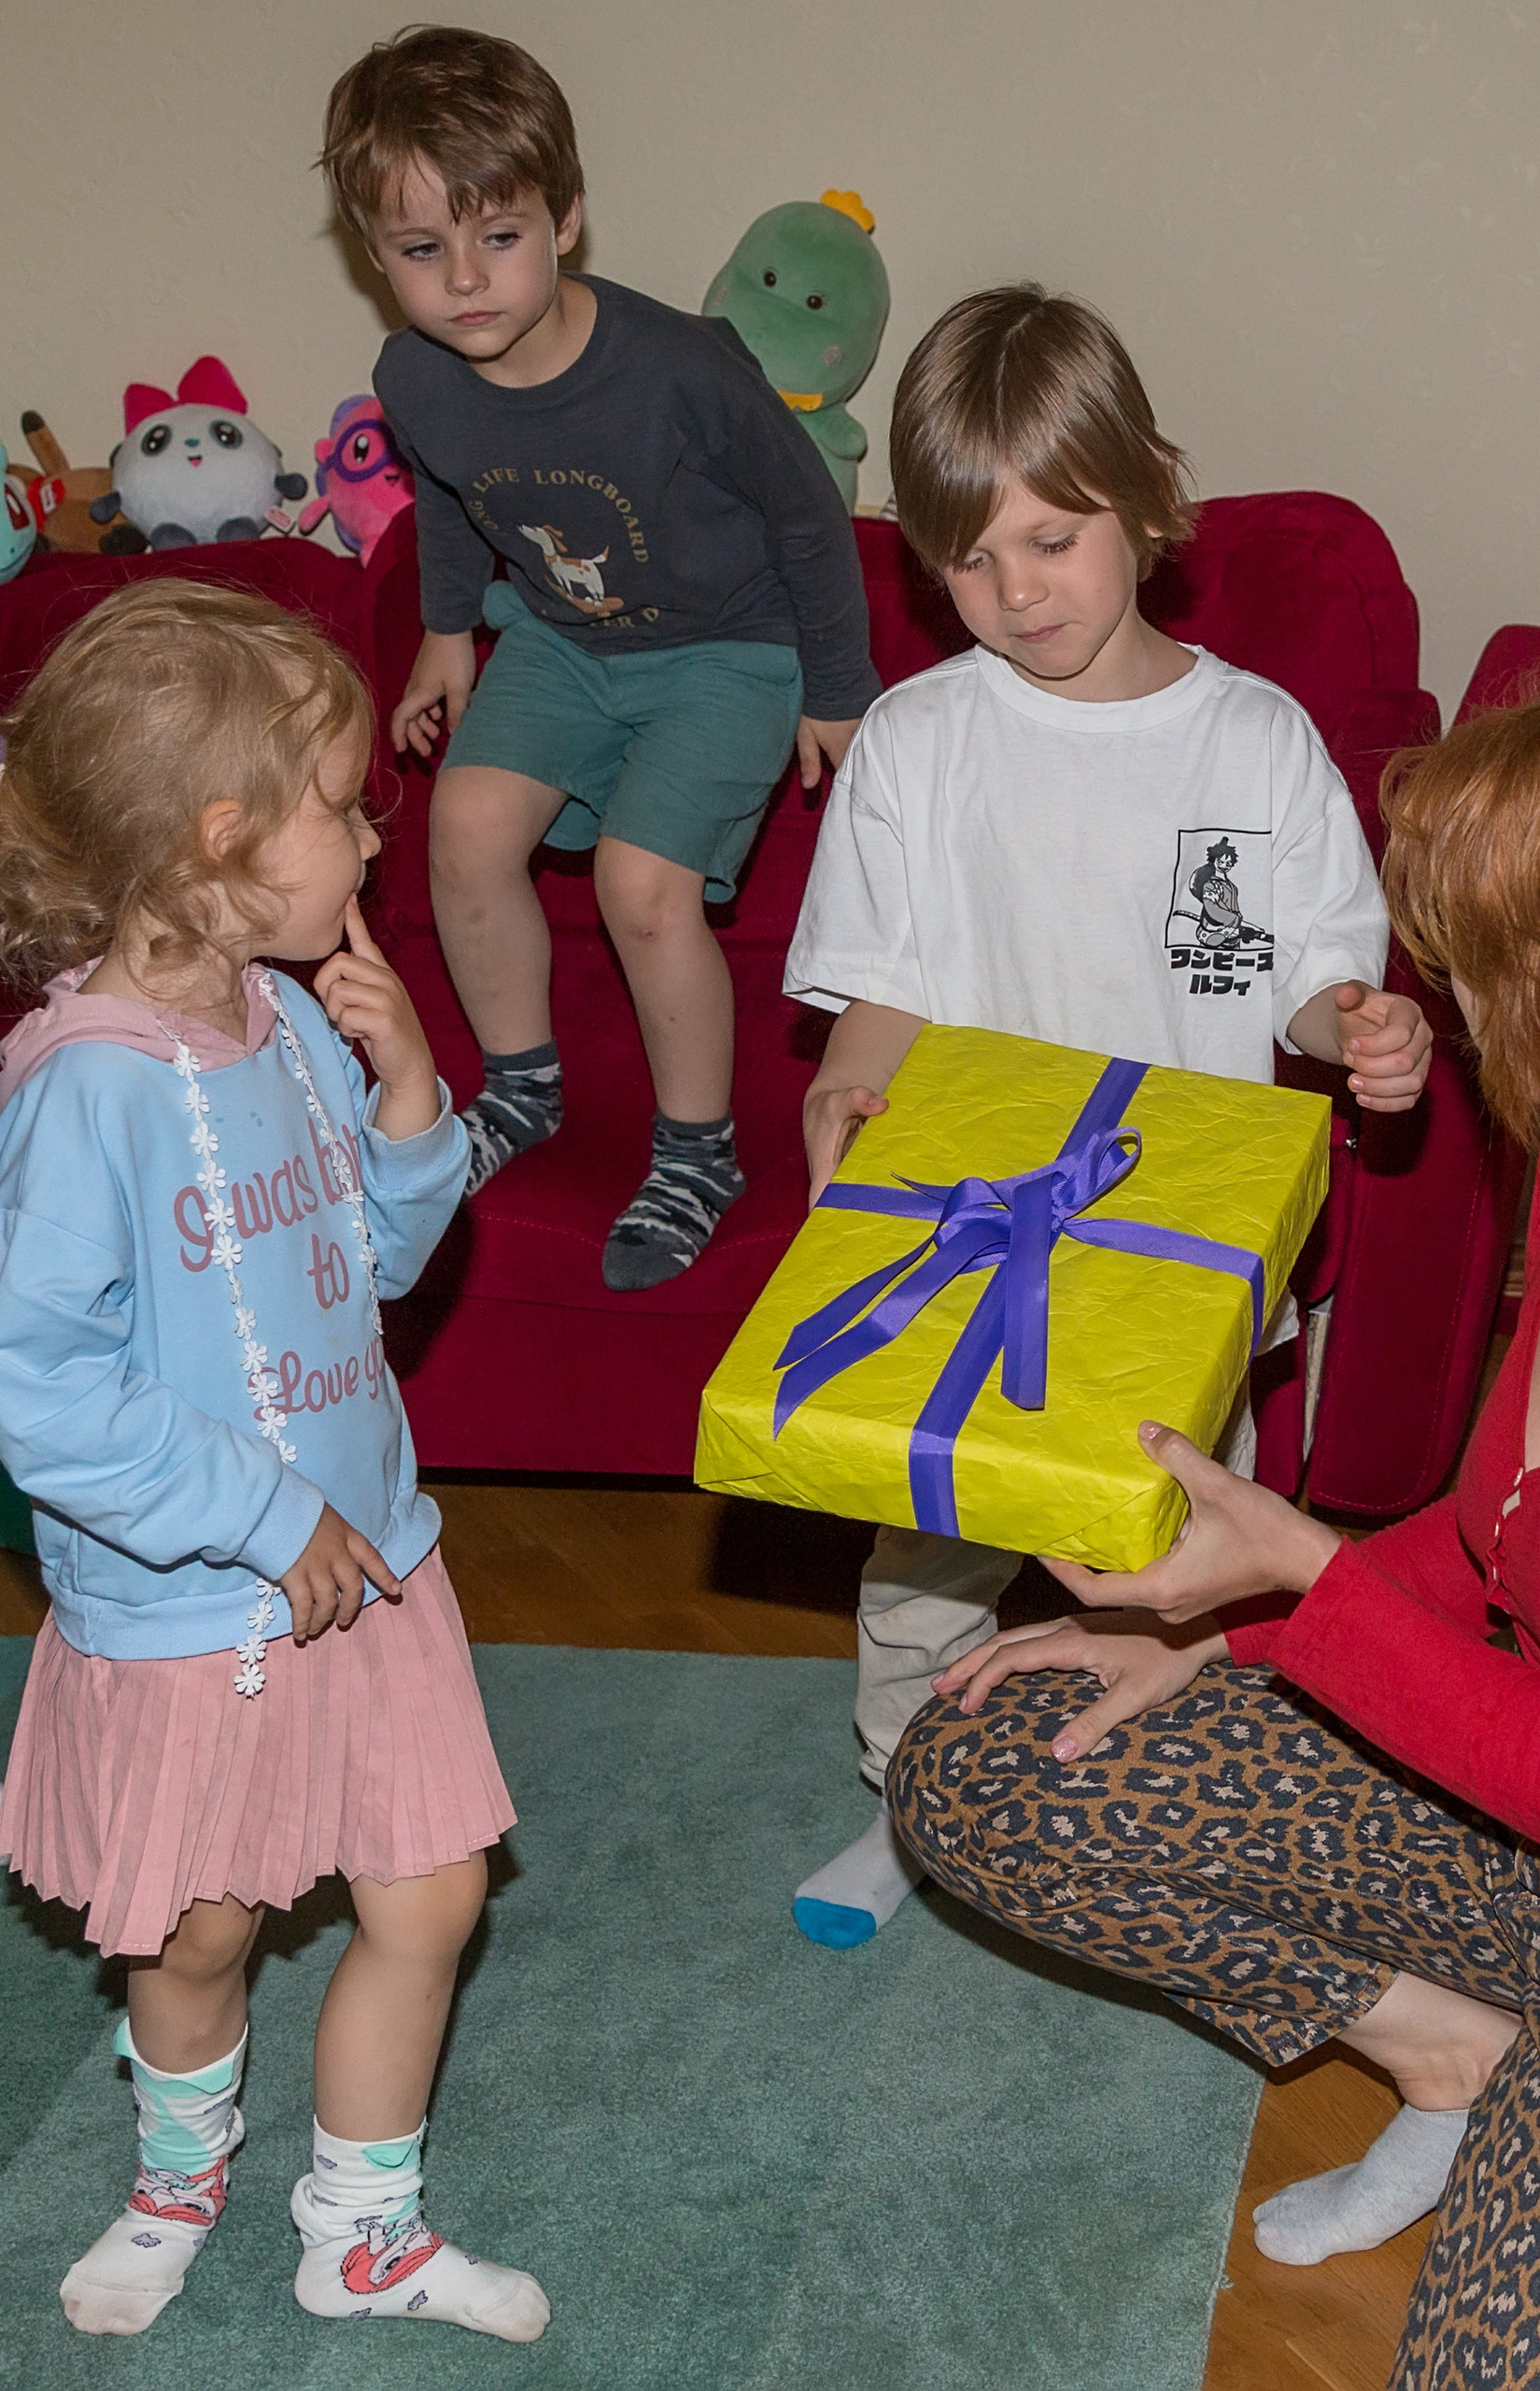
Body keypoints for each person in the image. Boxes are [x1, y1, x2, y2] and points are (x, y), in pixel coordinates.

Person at [888, 677, 1540, 2388]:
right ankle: (1459, 2058)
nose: (1445, 998)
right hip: (1519, 1797)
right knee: (987, 1758)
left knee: (1538, 2371)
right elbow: (1491, 1530)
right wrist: (1207, 1629)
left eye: (1478, 963)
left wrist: (1301, 1576)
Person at [780, 284, 1433, 1947]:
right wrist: (852, 1086)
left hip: (1177, 1242)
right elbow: (881, 988)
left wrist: (1353, 1026)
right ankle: (912, 1797)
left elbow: (1303, 975)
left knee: (1174, 1545)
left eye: (1054, 541)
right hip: (972, 1227)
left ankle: (1148, 1797)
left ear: (1145, 498)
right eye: (971, 562)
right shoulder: (918, 744)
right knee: (923, 1552)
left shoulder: (1253, 741)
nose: (1016, 594)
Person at [0, 583, 544, 2343]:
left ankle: (363, 2227)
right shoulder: (83, 1089)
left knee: (433, 1890)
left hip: (372, 1555)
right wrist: (257, 1510)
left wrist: (400, 1104)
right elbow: (33, 1381)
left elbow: (373, 1269)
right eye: (341, 800)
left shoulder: (285, 1011)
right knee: (200, 1936)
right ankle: (176, 2176)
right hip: (194, 1599)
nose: (374, 826)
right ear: (222, 835)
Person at [319, 26, 882, 1289]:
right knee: (460, 826)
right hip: (563, 639)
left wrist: (840, 688)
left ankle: (699, 1150)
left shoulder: (681, 368)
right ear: (378, 258)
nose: (465, 279)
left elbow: (806, 512)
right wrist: (446, 629)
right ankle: (520, 1090)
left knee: (640, 879)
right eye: (421, 250)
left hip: (726, 650)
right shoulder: (415, 378)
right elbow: (452, 498)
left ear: (565, 216)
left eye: (498, 236)